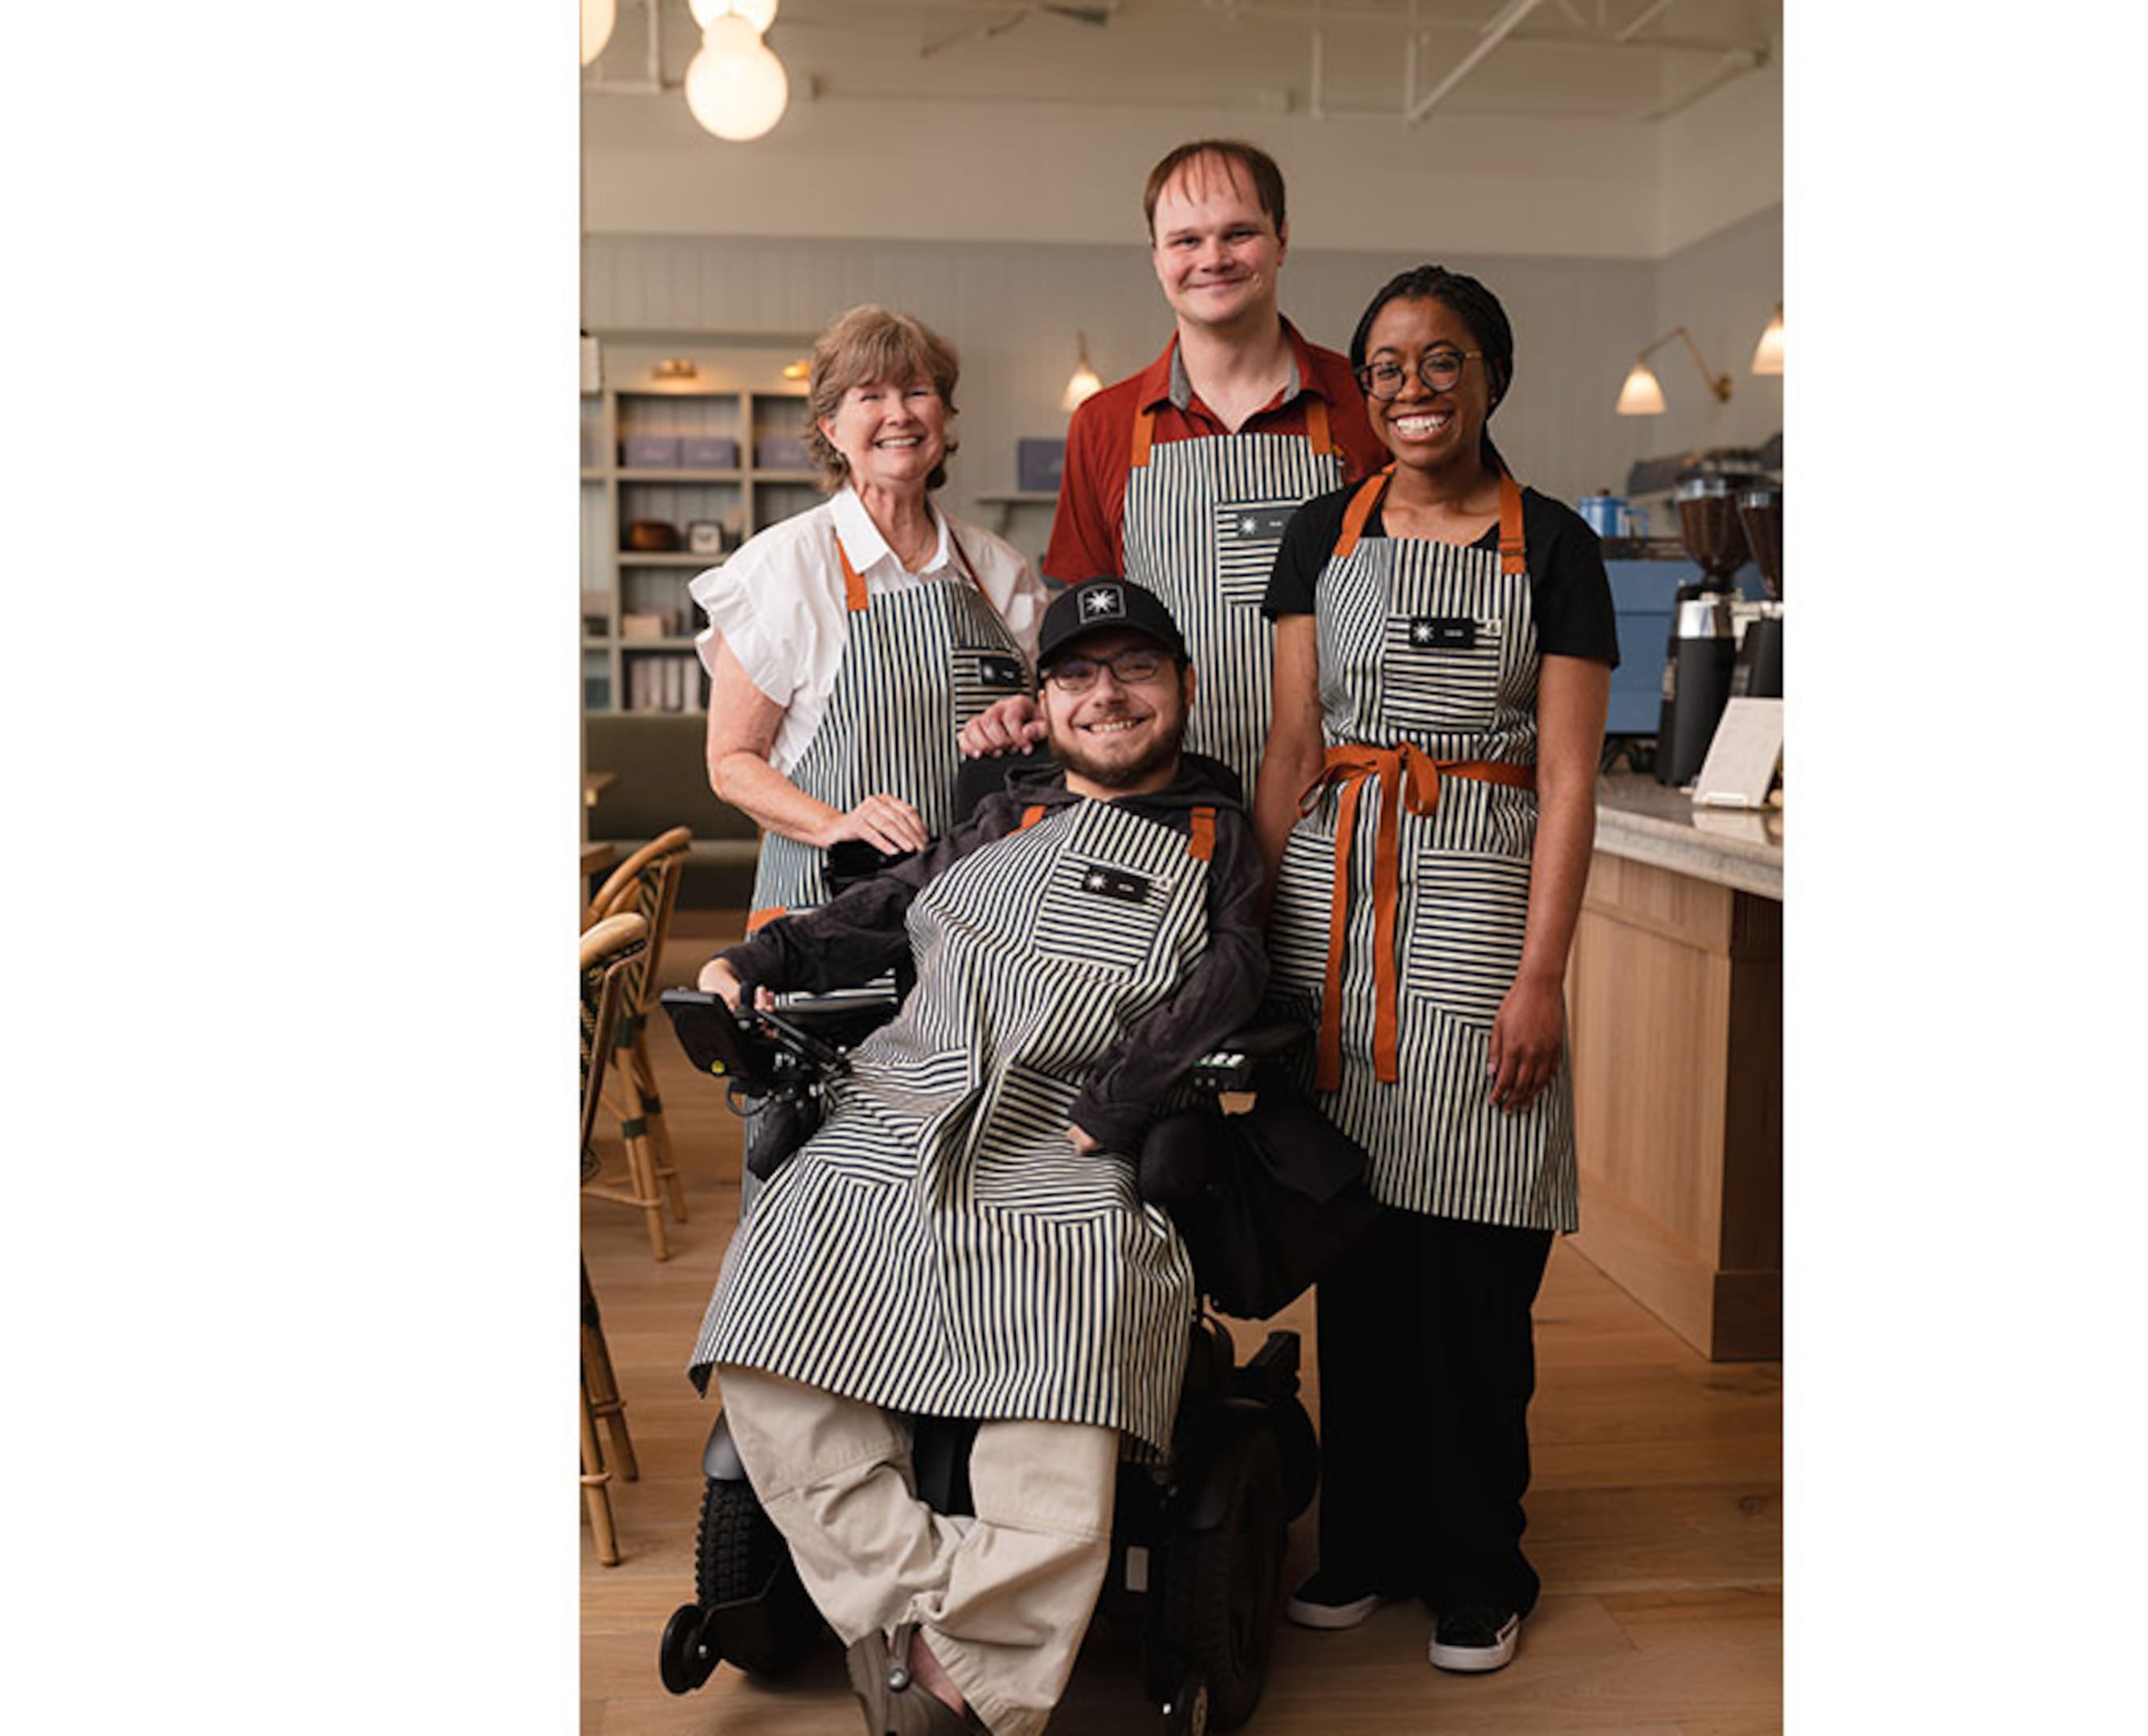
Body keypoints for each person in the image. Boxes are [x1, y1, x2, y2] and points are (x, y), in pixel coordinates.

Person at [689, 579, 1269, 1736]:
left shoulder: (1222, 832)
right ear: (1044, 704)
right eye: (1078, 677)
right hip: (900, 1106)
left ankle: (959, 1688)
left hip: (1069, 1136)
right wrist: (762, 959)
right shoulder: (1003, 813)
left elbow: (1238, 982)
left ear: (1184, 687)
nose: (1107, 697)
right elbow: (890, 908)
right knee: (763, 1328)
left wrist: (1118, 1104)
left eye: (1135, 671)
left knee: (1076, 1343)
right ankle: (946, 1619)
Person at [1250, 264, 1618, 1676]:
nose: (1413, 388)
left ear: (1490, 378)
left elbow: (1572, 787)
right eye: (1389, 365)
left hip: (1479, 927)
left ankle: (1479, 1564)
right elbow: (1293, 745)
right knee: (1360, 1256)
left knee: (1472, 1271)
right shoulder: (1318, 534)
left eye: (1443, 361)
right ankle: (1366, 1542)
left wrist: (1542, 979)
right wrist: (1245, 937)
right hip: (1334, 922)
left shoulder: (1557, 548)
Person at [960, 139, 1387, 799]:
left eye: (1237, 234)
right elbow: (1085, 629)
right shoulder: (1104, 424)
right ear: (1157, 257)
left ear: (1282, 239)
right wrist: (1037, 704)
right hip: (1167, 803)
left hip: (1345, 795)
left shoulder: (1367, 404)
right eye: (1186, 240)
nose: (1212, 259)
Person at [698, 304, 1050, 931]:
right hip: (824, 920)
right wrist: (837, 825)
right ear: (830, 426)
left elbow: (1052, 735)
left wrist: (1031, 720)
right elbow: (731, 764)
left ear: (943, 415)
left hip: (976, 929)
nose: (900, 414)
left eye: (919, 391)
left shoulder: (1000, 572)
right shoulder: (782, 570)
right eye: (872, 396)